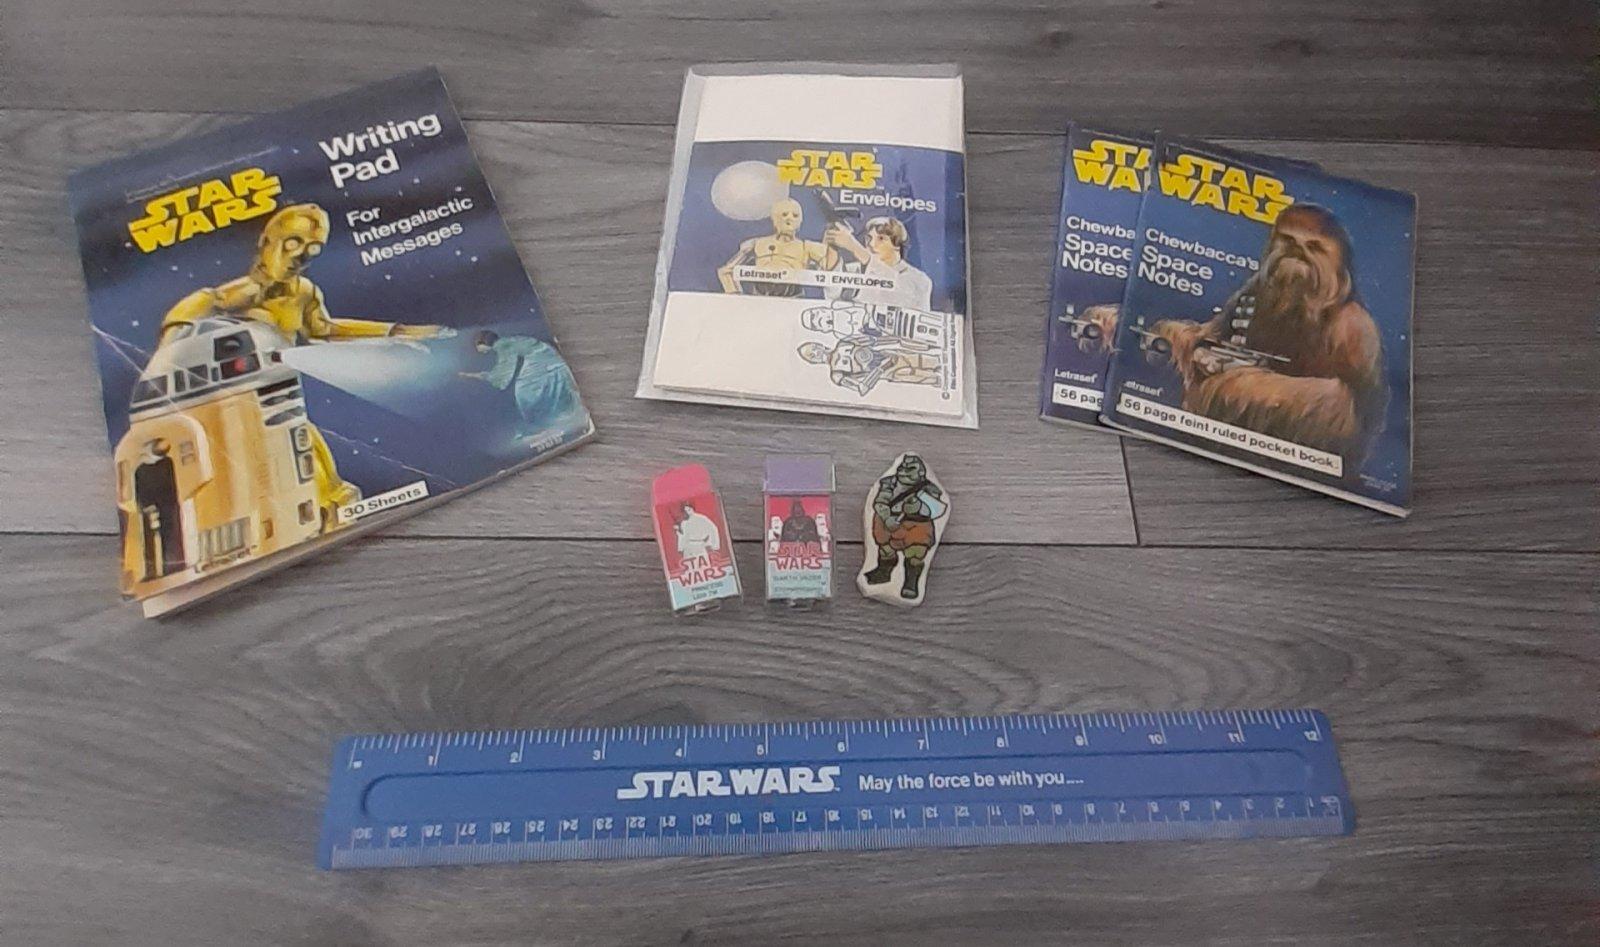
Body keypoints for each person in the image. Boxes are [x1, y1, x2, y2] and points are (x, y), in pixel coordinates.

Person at [459, 331, 586, 443]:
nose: (479, 350)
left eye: (479, 345)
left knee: (524, 390)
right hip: (548, 358)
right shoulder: (508, 342)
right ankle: (554, 417)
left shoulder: (503, 345)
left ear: (484, 342)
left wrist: (477, 375)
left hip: (543, 361)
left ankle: (544, 424)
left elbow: (503, 372)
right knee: (529, 387)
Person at [827, 216, 934, 309]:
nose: (871, 244)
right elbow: (833, 295)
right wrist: (832, 247)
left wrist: (854, 247)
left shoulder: (919, 280)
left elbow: (893, 294)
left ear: (897, 245)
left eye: (881, 238)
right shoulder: (853, 270)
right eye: (869, 238)